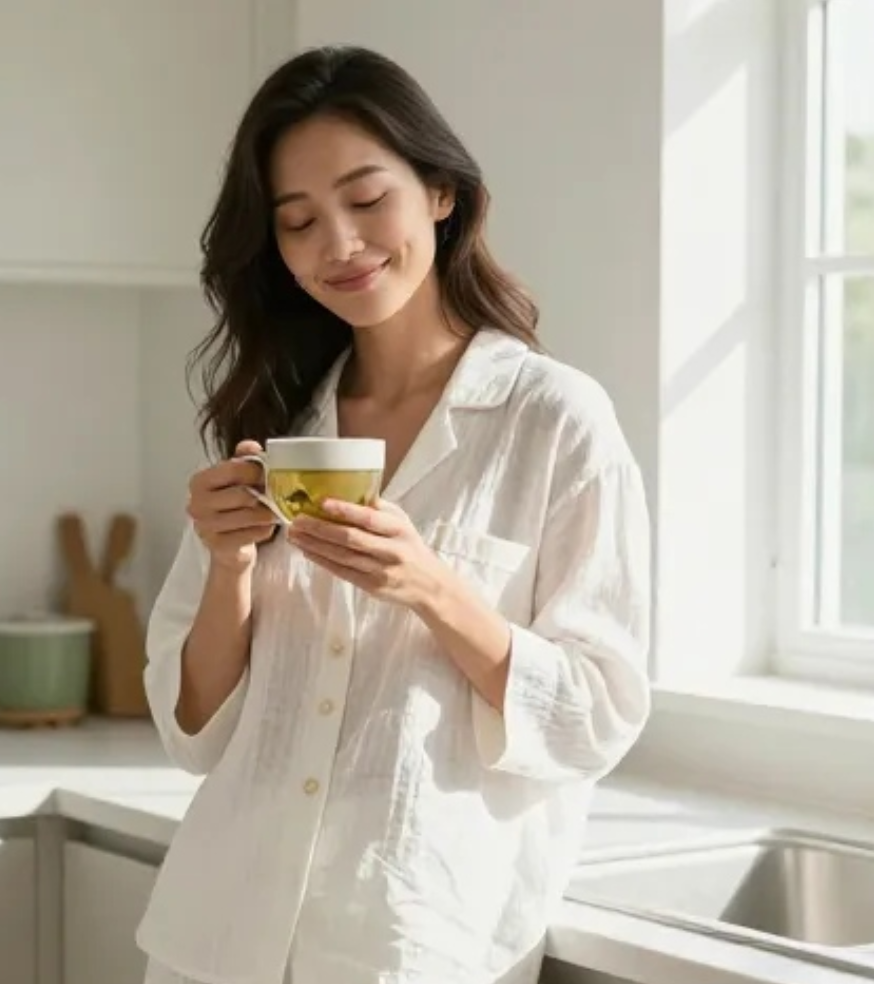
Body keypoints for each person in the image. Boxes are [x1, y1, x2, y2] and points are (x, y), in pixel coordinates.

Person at [137, 44, 651, 984]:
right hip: (219, 936)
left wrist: (432, 590)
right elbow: (194, 726)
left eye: (367, 200)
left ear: (440, 194)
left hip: (407, 939)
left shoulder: (553, 422)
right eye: (297, 222)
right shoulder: (281, 429)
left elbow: (597, 715)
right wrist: (229, 566)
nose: (338, 243)